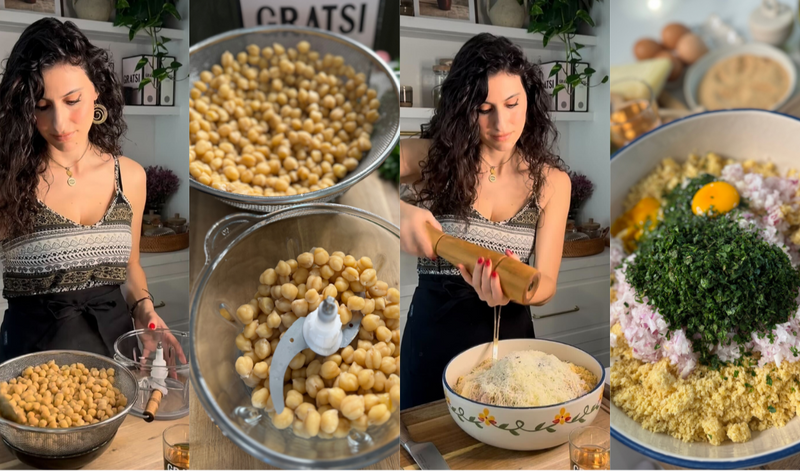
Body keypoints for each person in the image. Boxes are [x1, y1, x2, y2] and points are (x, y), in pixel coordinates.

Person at [399, 33, 571, 408]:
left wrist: (512, 288)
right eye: (484, 108)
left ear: (529, 99)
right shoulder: (429, 160)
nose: (501, 123)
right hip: (432, 345)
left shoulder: (553, 183)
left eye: (512, 104)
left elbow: (546, 285)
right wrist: (397, 211)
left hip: (510, 353)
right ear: (464, 108)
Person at [0, 18, 184, 363]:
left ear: (96, 90)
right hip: (30, 368)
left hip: (117, 361)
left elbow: (130, 268)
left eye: (72, 100)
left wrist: (145, 311)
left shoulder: (128, 176)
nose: (59, 123)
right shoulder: (8, 180)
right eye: (42, 107)